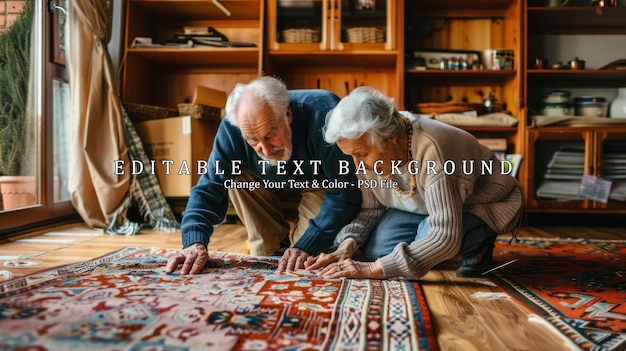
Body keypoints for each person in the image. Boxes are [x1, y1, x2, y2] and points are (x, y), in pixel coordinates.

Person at [305, 86, 524, 280]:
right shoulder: (366, 146)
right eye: (351, 156)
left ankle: (480, 242)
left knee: (422, 247)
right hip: (423, 206)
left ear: (390, 137)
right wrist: (347, 245)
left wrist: (371, 270)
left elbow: (445, 235)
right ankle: (432, 241)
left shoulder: (432, 148)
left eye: (361, 154)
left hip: (484, 202)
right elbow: (370, 209)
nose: (356, 164)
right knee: (379, 253)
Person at [164, 76, 361, 275]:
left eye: (269, 135)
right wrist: (194, 241)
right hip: (262, 180)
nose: (265, 150)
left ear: (288, 114)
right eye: (253, 140)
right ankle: (270, 246)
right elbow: (210, 186)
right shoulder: (233, 125)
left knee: (307, 258)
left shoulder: (327, 114)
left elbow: (346, 193)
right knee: (236, 175)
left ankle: (296, 241)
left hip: (320, 181)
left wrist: (307, 244)